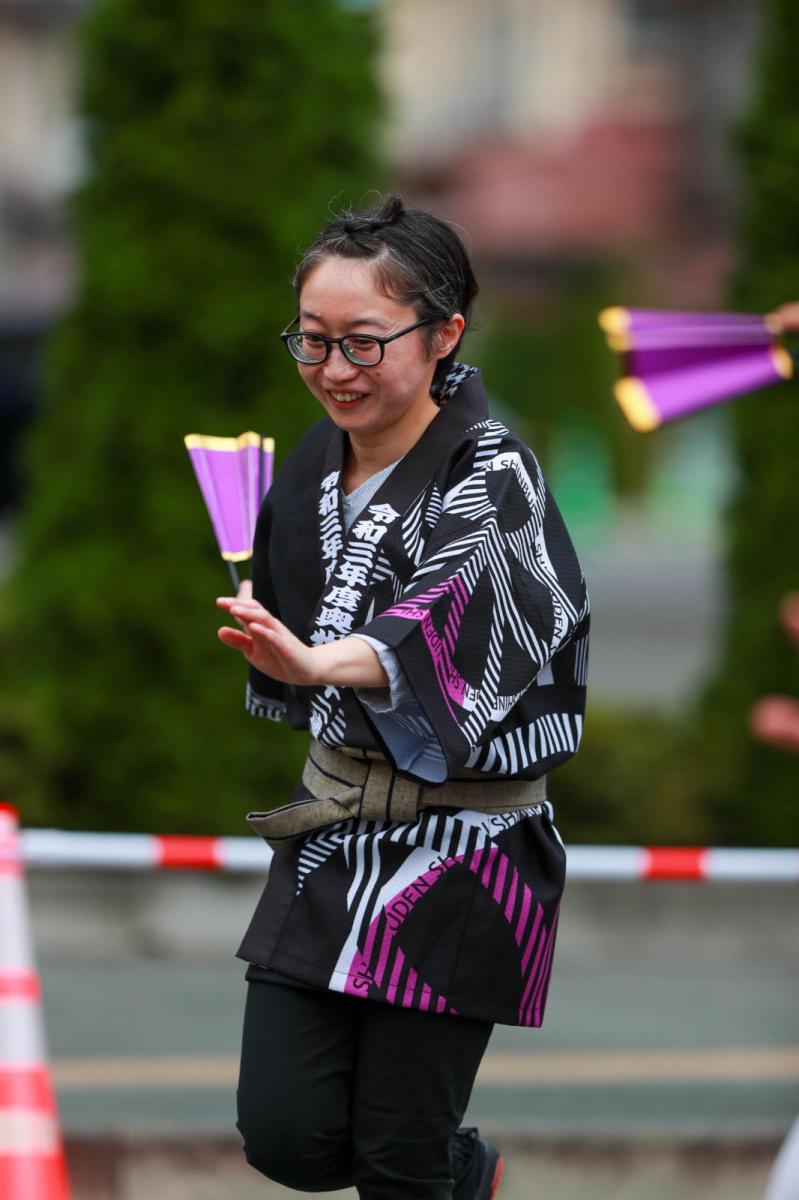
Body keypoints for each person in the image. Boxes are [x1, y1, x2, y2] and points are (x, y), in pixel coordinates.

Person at [216, 194, 590, 1200]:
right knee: (284, 1137)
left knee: (396, 1166)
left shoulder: (493, 469)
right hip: (334, 841)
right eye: (313, 340)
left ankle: (437, 1167)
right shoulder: (307, 467)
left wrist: (317, 661)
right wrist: (273, 638)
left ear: (443, 334)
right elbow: (298, 620)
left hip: (464, 857)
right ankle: (463, 1169)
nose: (333, 369)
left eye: (363, 343)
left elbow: (450, 618)